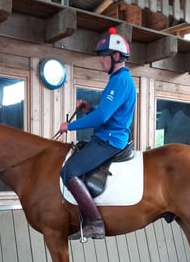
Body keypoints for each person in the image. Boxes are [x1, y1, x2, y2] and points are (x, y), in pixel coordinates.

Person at [58, 27, 137, 240]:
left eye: (103, 57)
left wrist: (70, 126)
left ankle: (95, 223)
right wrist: (88, 110)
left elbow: (103, 117)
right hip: (107, 136)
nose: (101, 62)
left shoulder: (120, 80)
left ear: (116, 56)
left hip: (109, 140)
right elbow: (107, 114)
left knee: (69, 171)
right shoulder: (117, 80)